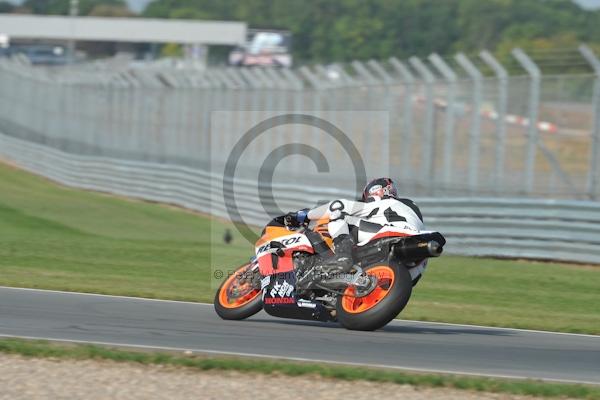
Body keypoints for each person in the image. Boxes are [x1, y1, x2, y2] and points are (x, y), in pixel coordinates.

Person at [284, 178, 424, 272]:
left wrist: (304, 215)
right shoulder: (411, 207)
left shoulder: (381, 201)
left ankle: (342, 256)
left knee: (339, 213)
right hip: (413, 249)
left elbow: (339, 205)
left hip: (388, 234)